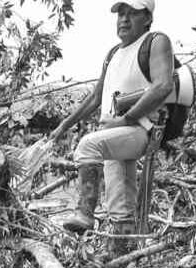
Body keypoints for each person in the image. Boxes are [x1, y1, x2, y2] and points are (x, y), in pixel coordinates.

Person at [51, 0, 174, 245]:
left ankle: (85, 213)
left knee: (87, 146)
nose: (124, 20)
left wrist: (125, 119)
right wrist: (65, 123)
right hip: (114, 133)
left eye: (132, 14)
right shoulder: (113, 54)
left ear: (147, 18)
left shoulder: (155, 41)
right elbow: (96, 97)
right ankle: (120, 259)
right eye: (120, 14)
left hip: (140, 130)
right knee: (119, 206)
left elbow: (163, 85)